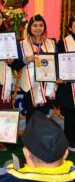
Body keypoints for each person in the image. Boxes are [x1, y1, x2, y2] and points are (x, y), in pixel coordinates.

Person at [0, 111, 75, 181]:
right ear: (66, 153)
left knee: (9, 164)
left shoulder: (0, 178)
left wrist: (7, 171)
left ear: (26, 153)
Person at [17, 14, 56, 123]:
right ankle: (30, 140)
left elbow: (56, 63)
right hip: (30, 86)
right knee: (31, 115)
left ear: (44, 27)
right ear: (30, 27)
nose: (38, 28)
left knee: (44, 116)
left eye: (41, 25)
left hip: (47, 85)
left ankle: (42, 140)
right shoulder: (21, 44)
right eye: (35, 25)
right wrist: (26, 60)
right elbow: (16, 64)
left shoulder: (51, 44)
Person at [55, 16, 75, 151]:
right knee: (70, 114)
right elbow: (56, 62)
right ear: (70, 28)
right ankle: (70, 142)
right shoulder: (63, 43)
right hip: (68, 84)